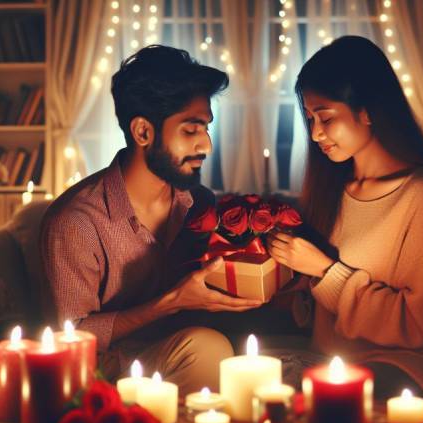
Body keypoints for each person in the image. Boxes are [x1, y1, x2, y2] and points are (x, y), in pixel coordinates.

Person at [41, 45, 262, 395]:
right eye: (190, 131)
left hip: (178, 347)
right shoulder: (76, 222)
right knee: (207, 348)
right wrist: (172, 302)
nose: (206, 145)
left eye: (206, 129)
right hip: (103, 369)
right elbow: (72, 335)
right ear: (143, 132)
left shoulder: (198, 201)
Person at [267, 36, 423, 400]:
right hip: (330, 361)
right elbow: (321, 315)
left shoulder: (422, 191)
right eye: (310, 119)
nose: (315, 133)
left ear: (367, 111)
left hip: (400, 368)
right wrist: (291, 283)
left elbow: (418, 322)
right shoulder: (332, 189)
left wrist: (326, 272)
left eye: (326, 117)